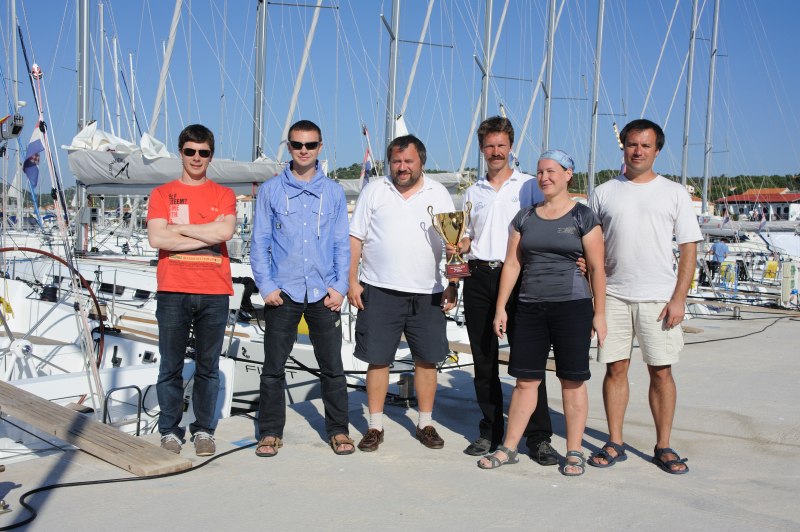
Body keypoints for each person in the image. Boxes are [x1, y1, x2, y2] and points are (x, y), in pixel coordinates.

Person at [477, 150, 606, 476]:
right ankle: (509, 447)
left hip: (572, 308)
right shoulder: (524, 217)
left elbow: (596, 268)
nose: (544, 177)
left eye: (551, 171)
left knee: (572, 382)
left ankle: (574, 451)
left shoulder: (583, 216)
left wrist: (599, 313)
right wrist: (501, 308)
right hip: (530, 307)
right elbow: (512, 264)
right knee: (525, 381)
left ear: (568, 175)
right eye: (539, 172)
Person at [587, 119, 701, 474]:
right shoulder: (603, 192)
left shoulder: (674, 192)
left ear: (657, 150)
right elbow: (591, 246)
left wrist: (679, 298)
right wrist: (593, 299)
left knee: (661, 372)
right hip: (613, 296)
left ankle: (663, 445)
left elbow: (689, 248)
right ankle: (615, 441)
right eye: (632, 144)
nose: (638, 151)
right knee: (615, 368)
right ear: (623, 146)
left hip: (659, 298)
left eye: (645, 145)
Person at [454, 116, 558, 466]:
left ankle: (539, 437)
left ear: (511, 147)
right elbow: (468, 238)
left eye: (501, 145)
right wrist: (457, 246)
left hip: (520, 277)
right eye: (489, 146)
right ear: (482, 149)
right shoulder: (472, 192)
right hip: (478, 277)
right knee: (483, 359)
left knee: (529, 362)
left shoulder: (529, 186)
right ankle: (490, 430)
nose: (495, 151)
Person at [348, 134, 458, 452]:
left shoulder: (438, 193)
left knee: (427, 360)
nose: (402, 167)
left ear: (421, 161)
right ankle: (375, 426)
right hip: (379, 289)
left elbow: (453, 242)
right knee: (377, 360)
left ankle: (425, 423)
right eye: (396, 161)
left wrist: (453, 284)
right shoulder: (375, 190)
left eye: (408, 161)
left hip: (428, 292)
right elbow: (355, 238)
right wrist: (352, 281)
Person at [250, 120, 353, 457]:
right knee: (272, 369)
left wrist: (339, 287)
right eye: (297, 145)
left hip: (324, 293)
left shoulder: (333, 192)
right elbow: (260, 242)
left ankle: (338, 430)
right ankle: (269, 432)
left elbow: (341, 244)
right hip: (284, 293)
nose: (303, 151)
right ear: (289, 147)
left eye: (310, 145)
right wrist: (266, 286)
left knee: (332, 368)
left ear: (320, 147)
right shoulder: (271, 191)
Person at [147, 124, 236, 456]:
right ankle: (170, 431)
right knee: (170, 365)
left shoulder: (223, 194)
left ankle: (203, 430)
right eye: (190, 151)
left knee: (208, 367)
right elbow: (157, 238)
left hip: (214, 292)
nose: (196, 158)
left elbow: (224, 233)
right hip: (173, 290)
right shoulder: (162, 194)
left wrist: (180, 229)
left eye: (203, 152)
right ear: (180, 152)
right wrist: (205, 232)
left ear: (211, 155)